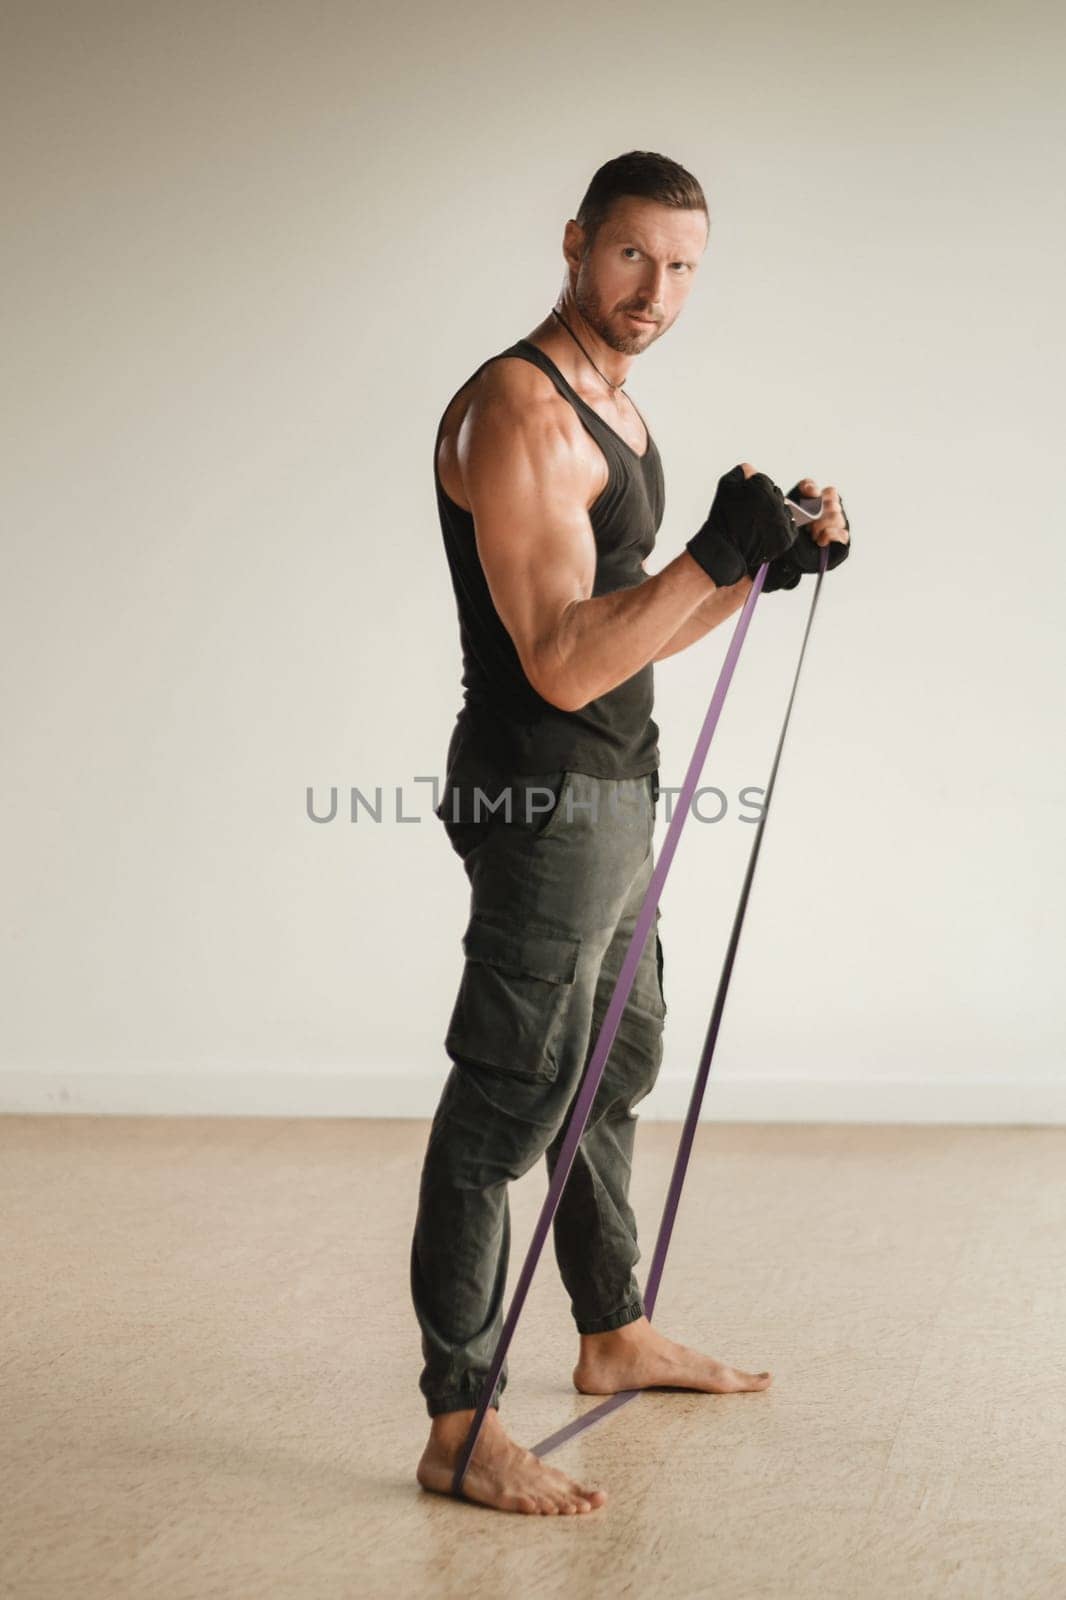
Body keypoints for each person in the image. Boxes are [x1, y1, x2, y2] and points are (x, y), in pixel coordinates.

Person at [410, 150, 851, 1517]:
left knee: (614, 1059)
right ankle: (455, 1420)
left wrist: (760, 566)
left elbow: (636, 626)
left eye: (680, 268)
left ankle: (609, 1325)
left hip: (614, 785)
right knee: (507, 1097)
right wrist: (708, 561)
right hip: (541, 793)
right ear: (574, 244)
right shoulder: (518, 414)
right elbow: (556, 659)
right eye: (629, 258)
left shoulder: (617, 406)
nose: (654, 291)